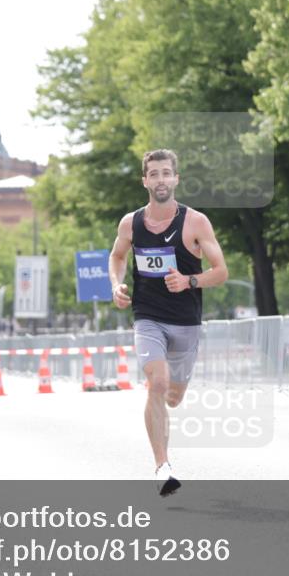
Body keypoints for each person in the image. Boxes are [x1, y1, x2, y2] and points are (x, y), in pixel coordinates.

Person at [108, 149, 228, 496]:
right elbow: (117, 257)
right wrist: (116, 285)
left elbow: (221, 272)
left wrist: (190, 281)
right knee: (156, 383)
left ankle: (165, 445)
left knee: (173, 396)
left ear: (176, 179)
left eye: (166, 173)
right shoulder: (131, 223)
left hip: (186, 322)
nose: (160, 180)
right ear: (144, 181)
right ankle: (163, 466)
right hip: (148, 317)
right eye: (154, 174)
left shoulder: (196, 222)